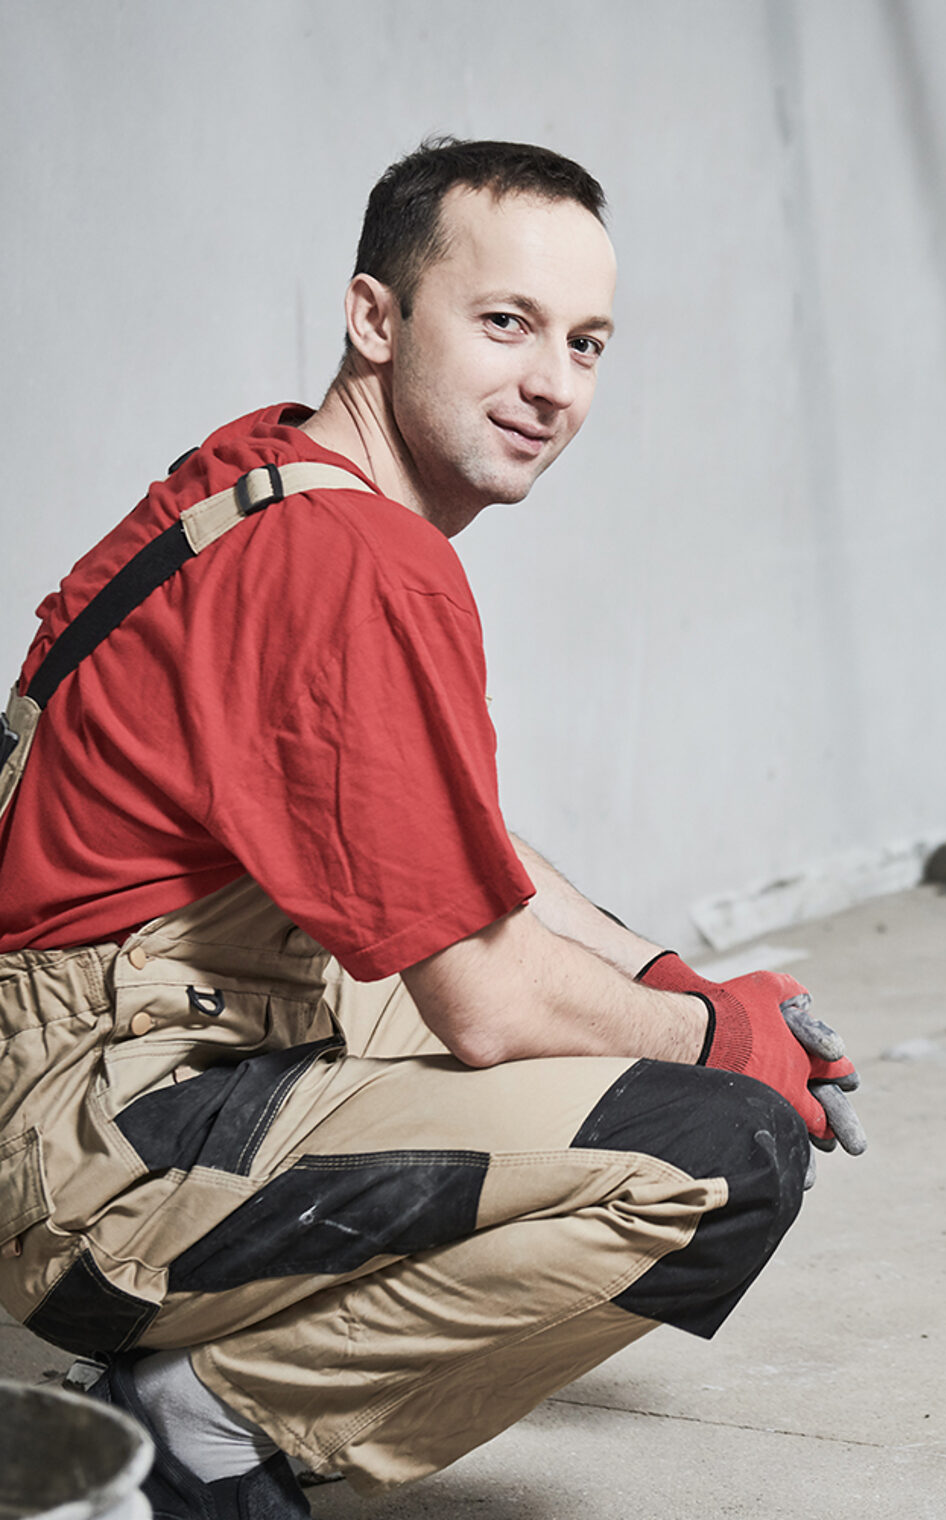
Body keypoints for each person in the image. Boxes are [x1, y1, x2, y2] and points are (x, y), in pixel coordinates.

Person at [0, 138, 864, 1519]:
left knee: (587, 1021)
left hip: (100, 1051)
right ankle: (210, 1431)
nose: (550, 385)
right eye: (505, 323)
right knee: (718, 1155)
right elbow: (484, 1003)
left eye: (586, 343)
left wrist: (667, 983)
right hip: (94, 1157)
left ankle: (208, 1389)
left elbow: (452, 848)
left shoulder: (271, 475)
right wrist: (729, 1043)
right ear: (376, 317)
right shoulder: (361, 565)